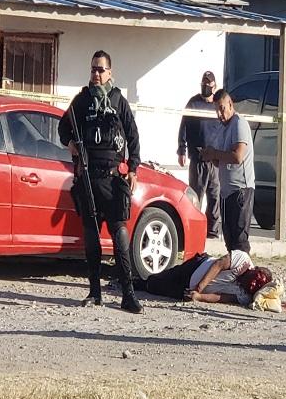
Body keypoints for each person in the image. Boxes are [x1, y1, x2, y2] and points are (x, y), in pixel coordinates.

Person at [58, 50, 143, 314]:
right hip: (88, 179)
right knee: (92, 238)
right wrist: (71, 144)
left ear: (110, 72)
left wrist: (134, 169)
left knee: (119, 235)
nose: (96, 74)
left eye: (101, 70)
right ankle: (95, 292)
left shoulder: (118, 101)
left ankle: (127, 294)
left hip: (113, 179)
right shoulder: (82, 101)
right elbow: (63, 129)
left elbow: (133, 136)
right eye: (93, 69)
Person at [201, 89, 256, 253]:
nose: (219, 114)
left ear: (230, 104)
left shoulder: (239, 123)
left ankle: (247, 274)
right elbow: (222, 161)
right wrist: (210, 156)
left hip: (240, 190)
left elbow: (238, 156)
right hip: (226, 192)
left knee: (240, 241)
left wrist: (216, 154)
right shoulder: (223, 128)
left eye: (222, 108)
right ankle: (234, 274)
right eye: (216, 110)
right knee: (229, 240)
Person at [134, 250, 271, 306]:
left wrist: (199, 297)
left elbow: (222, 297)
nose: (251, 285)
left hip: (188, 289)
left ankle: (140, 283)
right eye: (254, 279)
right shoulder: (243, 260)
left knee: (156, 288)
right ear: (254, 269)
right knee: (160, 278)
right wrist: (200, 287)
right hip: (195, 267)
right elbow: (218, 265)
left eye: (254, 287)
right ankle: (131, 280)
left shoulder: (246, 297)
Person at [177, 71, 222, 239]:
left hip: (215, 160)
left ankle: (212, 232)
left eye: (208, 84)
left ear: (214, 86)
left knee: (214, 197)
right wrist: (182, 149)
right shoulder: (193, 103)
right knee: (196, 197)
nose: (205, 87)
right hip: (198, 158)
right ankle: (194, 232)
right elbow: (184, 127)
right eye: (203, 83)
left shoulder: (218, 104)